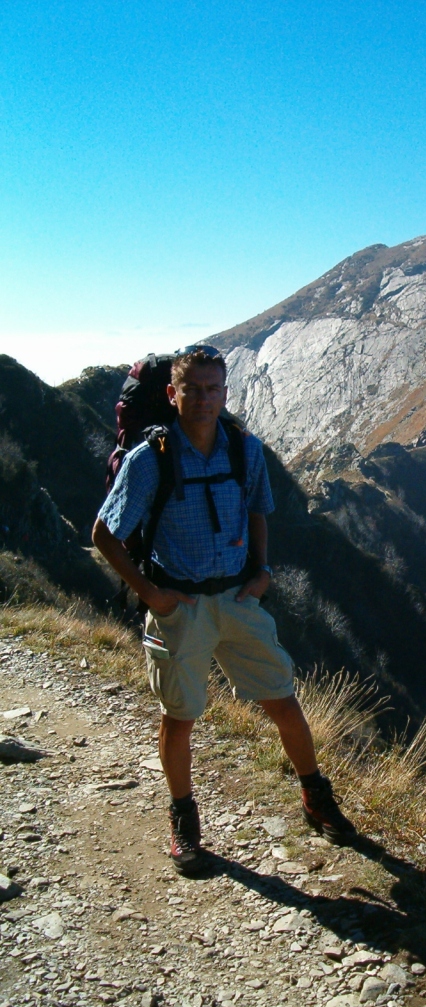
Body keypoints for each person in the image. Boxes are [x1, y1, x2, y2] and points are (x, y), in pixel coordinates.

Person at [92, 347, 355, 874]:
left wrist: (263, 572)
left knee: (283, 701)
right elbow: (104, 534)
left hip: (237, 598)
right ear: (173, 394)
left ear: (225, 393)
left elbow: (258, 509)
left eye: (213, 389)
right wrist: (152, 595)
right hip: (180, 605)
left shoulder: (243, 448)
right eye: (192, 389)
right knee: (180, 717)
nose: (203, 399)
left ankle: (315, 797)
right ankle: (183, 821)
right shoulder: (151, 458)